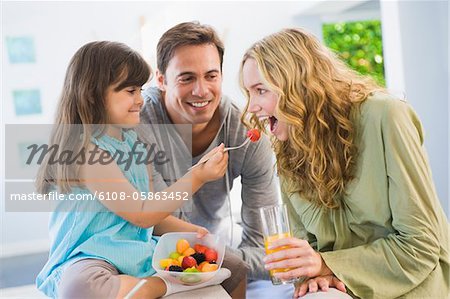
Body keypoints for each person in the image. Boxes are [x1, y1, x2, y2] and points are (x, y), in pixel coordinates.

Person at [240, 28, 449, 298]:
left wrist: (325, 264)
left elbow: (420, 246)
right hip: (340, 287)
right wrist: (308, 274)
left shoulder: (386, 117)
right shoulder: (288, 147)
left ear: (298, 85)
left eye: (261, 91)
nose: (251, 108)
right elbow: (306, 248)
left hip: (414, 285)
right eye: (249, 93)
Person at [35, 41, 232, 298]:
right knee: (81, 288)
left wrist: (190, 231)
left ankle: (145, 284)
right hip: (90, 256)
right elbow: (142, 214)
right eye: (130, 91)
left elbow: (150, 211)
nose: (140, 99)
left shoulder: (135, 143)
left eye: (140, 89)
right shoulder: (87, 154)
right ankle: (163, 284)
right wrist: (197, 176)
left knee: (232, 265)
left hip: (133, 250)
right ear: (93, 94)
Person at [139, 21, 279, 291]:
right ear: (160, 80)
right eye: (186, 78)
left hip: (220, 255)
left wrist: (219, 261)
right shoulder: (137, 124)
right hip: (149, 262)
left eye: (211, 76)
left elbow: (265, 249)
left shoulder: (246, 134)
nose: (201, 91)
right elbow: (151, 222)